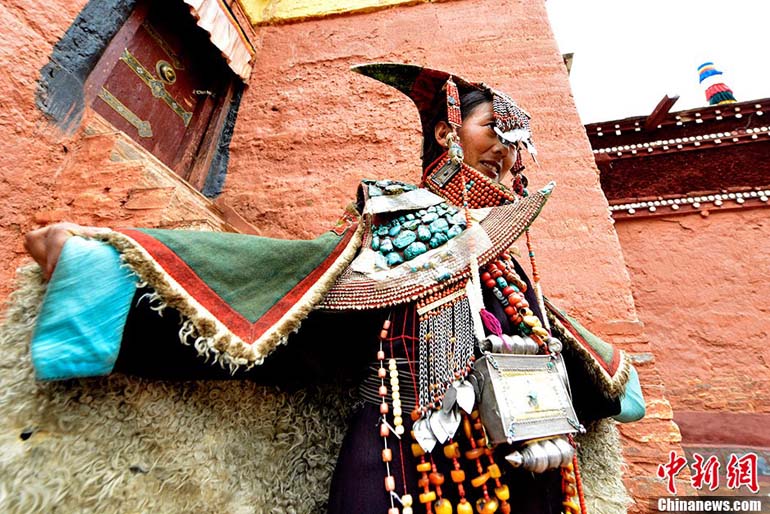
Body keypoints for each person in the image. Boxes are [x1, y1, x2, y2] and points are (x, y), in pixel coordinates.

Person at [23, 63, 644, 514]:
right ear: (446, 130)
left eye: (518, 146)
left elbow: (544, 327)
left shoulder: (504, 252)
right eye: (496, 130)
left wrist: (611, 372)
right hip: (406, 458)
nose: (508, 153)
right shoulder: (396, 219)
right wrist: (115, 262)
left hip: (528, 463)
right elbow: (296, 285)